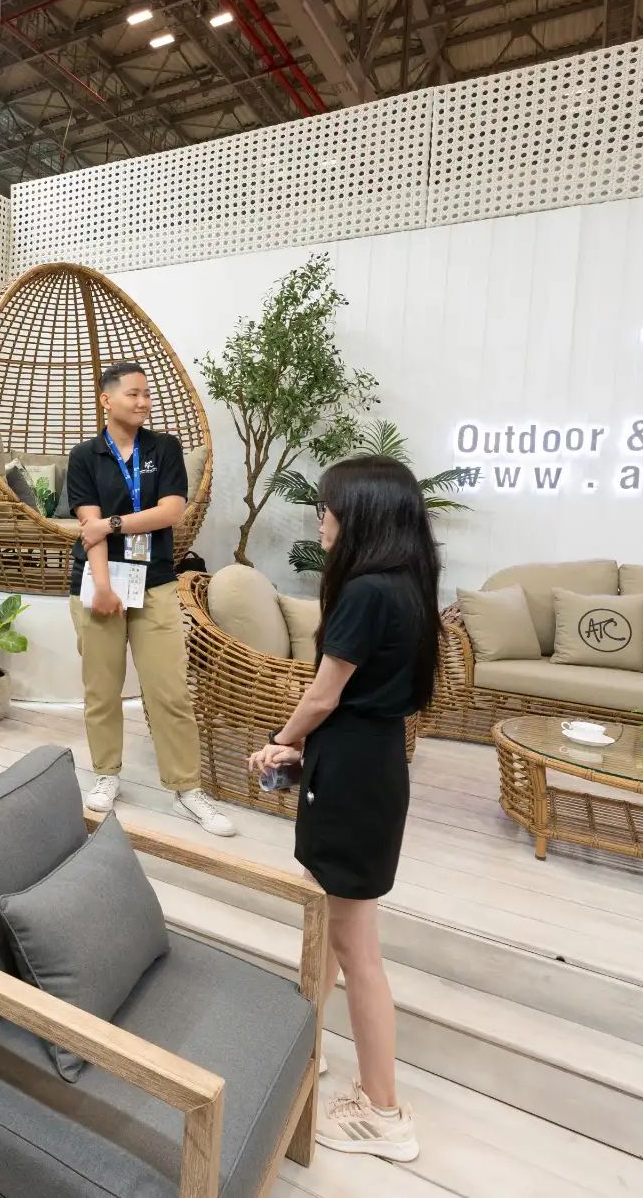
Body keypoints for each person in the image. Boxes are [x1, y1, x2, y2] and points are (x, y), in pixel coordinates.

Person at [247, 454, 440, 1162]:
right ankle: (311, 1042)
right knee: (333, 923)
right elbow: (357, 701)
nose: (319, 518)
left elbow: (325, 694)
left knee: (358, 948)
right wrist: (301, 748)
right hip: (371, 760)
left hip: (353, 773)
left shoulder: (365, 591)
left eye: (325, 508)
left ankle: (382, 1109)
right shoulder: (409, 586)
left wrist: (280, 740)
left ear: (358, 515)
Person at [69, 361, 236, 837]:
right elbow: (88, 528)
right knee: (101, 690)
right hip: (98, 580)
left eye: (147, 395)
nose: (143, 402)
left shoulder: (164, 448)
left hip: (157, 580)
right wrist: (101, 586)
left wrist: (115, 524)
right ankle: (106, 774)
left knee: (170, 691)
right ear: (107, 399)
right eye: (133, 394)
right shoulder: (85, 456)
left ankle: (187, 787)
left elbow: (172, 512)